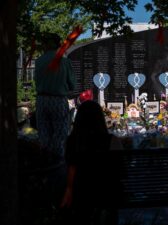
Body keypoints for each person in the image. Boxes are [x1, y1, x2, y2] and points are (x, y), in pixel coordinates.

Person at [60, 100, 121, 224]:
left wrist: (69, 189)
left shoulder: (72, 141)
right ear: (101, 118)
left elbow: (71, 168)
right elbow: (120, 170)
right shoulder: (112, 141)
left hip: (81, 194)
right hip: (106, 194)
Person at [34, 32, 76, 163]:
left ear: (45, 45)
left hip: (41, 100)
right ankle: (57, 165)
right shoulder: (65, 62)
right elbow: (72, 85)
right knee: (60, 134)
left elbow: (36, 81)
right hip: (58, 100)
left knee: (43, 134)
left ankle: (45, 163)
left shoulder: (39, 61)